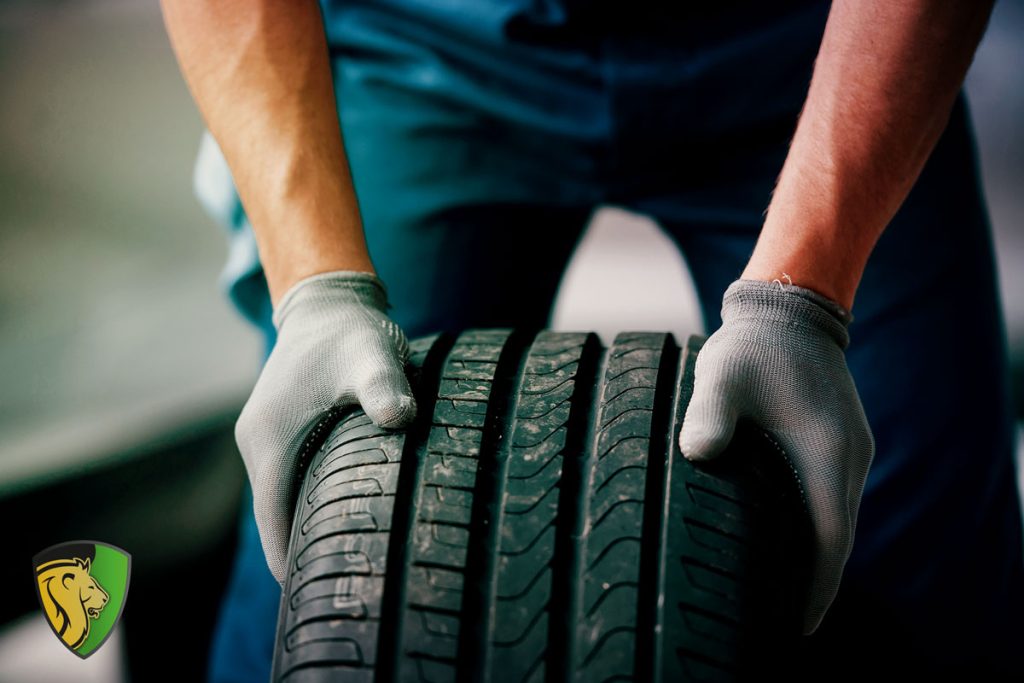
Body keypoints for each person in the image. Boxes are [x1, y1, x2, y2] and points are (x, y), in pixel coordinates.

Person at [160, 1, 1023, 679]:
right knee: (320, 567)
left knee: (924, 581)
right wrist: (317, 288)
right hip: (424, 46)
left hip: (802, 48)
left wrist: (807, 299)